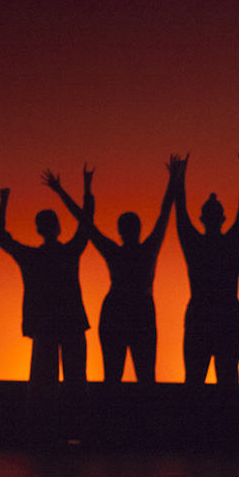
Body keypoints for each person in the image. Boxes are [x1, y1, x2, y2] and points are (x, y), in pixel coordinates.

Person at [43, 160, 178, 384]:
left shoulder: (116, 251)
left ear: (120, 231)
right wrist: (173, 179)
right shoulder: (147, 250)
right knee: (143, 376)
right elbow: (164, 213)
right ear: (138, 229)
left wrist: (64, 190)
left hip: (117, 311)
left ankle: (110, 415)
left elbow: (85, 221)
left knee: (115, 376)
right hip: (138, 312)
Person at [0, 167, 93, 427]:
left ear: (38, 229)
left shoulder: (32, 258)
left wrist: (3, 205)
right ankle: (77, 427)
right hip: (70, 323)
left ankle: (41, 429)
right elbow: (86, 223)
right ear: (58, 227)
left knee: (42, 381)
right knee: (75, 380)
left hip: (45, 325)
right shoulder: (69, 252)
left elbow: (2, 237)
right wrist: (81, 190)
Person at [172, 153, 239, 385]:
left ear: (202, 219)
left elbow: (181, 213)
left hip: (201, 312)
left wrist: (180, 177)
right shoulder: (231, 243)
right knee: (228, 378)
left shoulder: (195, 244)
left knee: (195, 379)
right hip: (226, 314)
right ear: (223, 218)